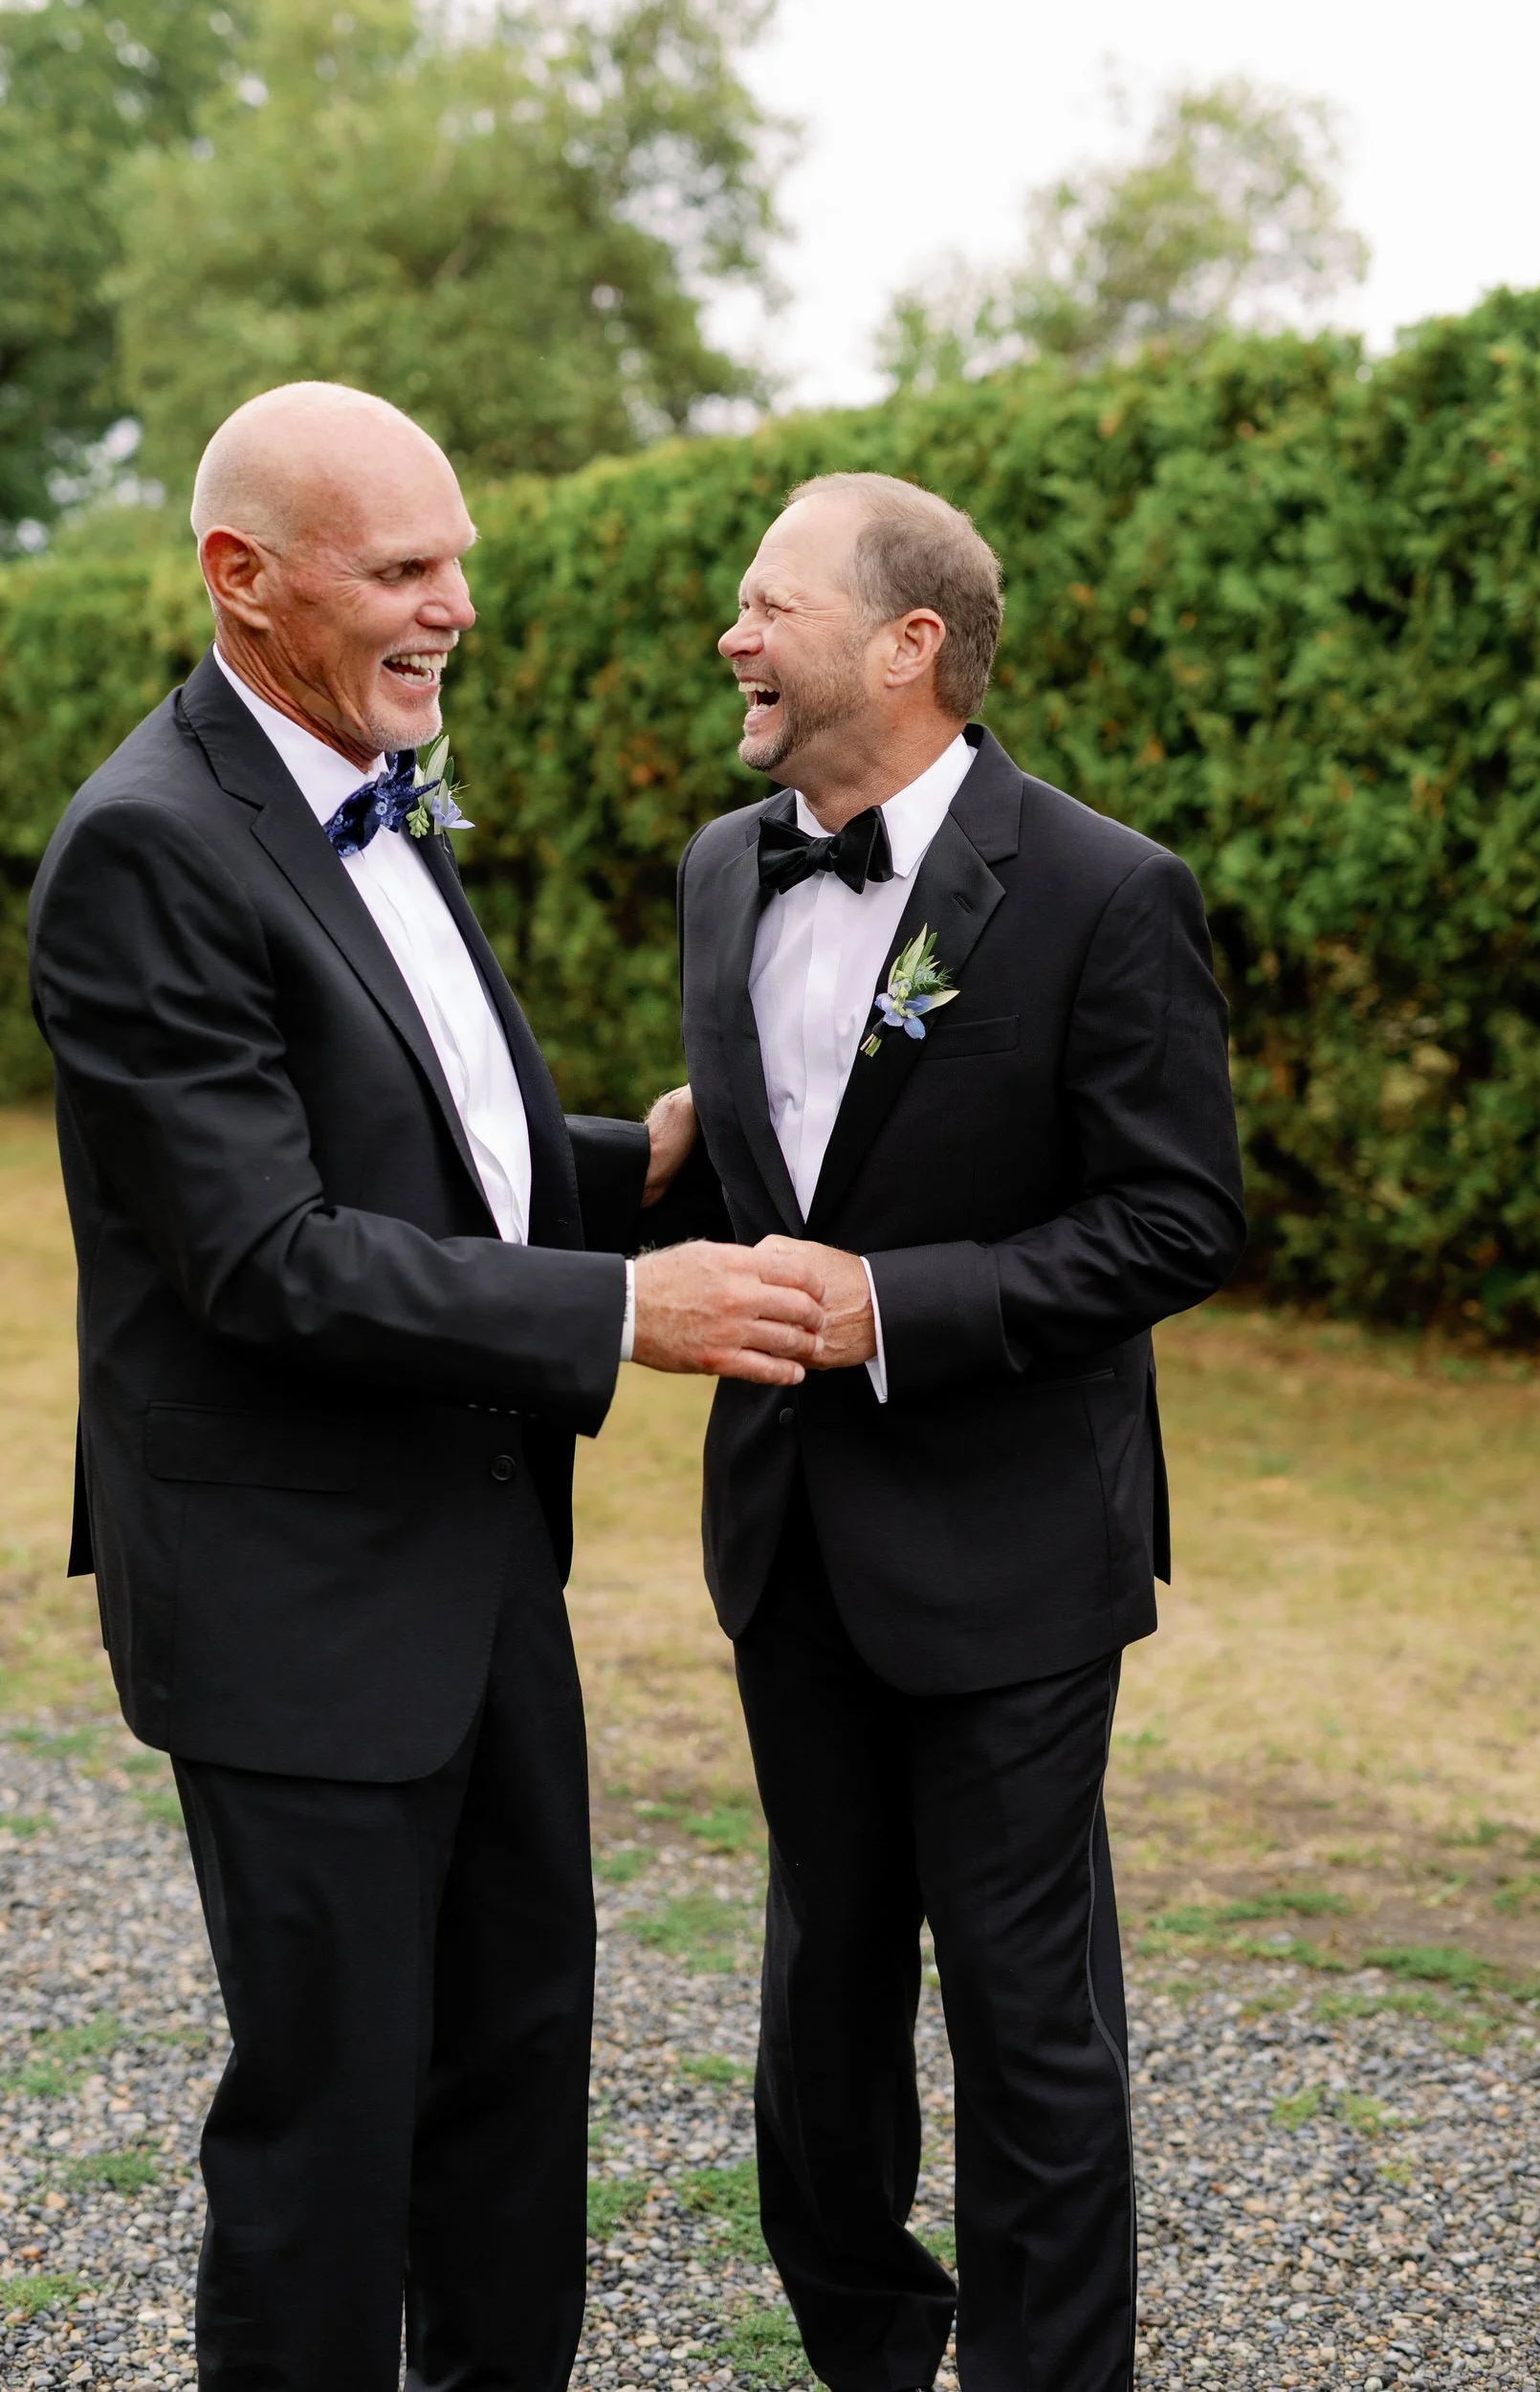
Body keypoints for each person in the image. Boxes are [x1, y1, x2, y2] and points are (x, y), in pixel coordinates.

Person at [26, 381, 824, 2392]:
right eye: (401, 567)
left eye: (454, 560)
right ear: (243, 575)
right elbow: (266, 1254)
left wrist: (626, 1169)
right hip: (292, 1598)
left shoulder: (372, 777)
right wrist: (617, 1309)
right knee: (331, 2128)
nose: (454, 604)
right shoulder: (145, 847)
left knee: (511, 2082)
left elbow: (422, 1138)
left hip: (475, 1570)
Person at [650, 472, 1247, 2392]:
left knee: (1022, 2007)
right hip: (784, 1536)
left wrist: (890, 1307)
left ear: (909, 644)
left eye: (770, 603)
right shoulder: (719, 870)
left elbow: (1176, 1218)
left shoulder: (1102, 889)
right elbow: (752, 1168)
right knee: (818, 1993)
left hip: (1012, 1544)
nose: (733, 636)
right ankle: (865, 2351)